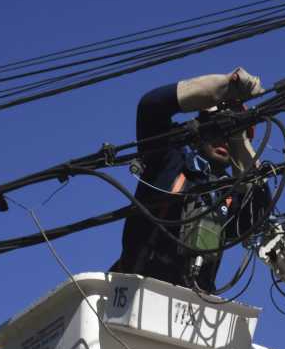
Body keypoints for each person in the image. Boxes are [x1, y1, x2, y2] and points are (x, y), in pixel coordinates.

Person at [111, 68, 269, 293]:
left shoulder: (228, 194)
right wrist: (223, 86)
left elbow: (257, 216)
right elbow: (151, 106)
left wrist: (239, 137)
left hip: (192, 305)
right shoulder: (168, 158)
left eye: (230, 136)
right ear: (200, 130)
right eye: (216, 129)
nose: (223, 140)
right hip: (137, 289)